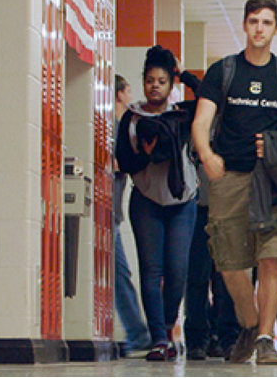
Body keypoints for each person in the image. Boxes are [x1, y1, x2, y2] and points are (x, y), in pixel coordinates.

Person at [191, 0, 277, 365]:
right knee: (230, 262)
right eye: (253, 21)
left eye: (266, 22)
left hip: (275, 182)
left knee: (272, 258)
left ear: (276, 28)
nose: (259, 28)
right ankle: (248, 323)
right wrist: (207, 155)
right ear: (244, 25)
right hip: (230, 176)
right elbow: (201, 122)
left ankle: (265, 337)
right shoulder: (224, 71)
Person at [115, 46, 199, 361]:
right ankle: (158, 338)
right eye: (150, 80)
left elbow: (209, 97)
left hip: (182, 201)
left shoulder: (183, 113)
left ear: (170, 84)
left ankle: (166, 324)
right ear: (143, 82)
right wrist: (146, 154)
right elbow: (123, 160)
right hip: (146, 200)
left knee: (177, 270)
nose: (155, 86)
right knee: (152, 270)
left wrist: (182, 73)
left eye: (162, 80)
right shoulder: (133, 118)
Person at [180, 69, 240, 361]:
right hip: (197, 209)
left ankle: (226, 337)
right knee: (197, 277)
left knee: (227, 277)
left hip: (229, 208)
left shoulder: (236, 124)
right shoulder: (193, 120)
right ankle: (197, 339)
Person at [112, 75, 151, 357]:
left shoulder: (122, 127)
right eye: (128, 90)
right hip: (104, 213)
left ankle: (138, 334)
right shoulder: (112, 127)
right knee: (119, 272)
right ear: (120, 93)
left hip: (110, 211)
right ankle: (137, 334)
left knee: (118, 272)